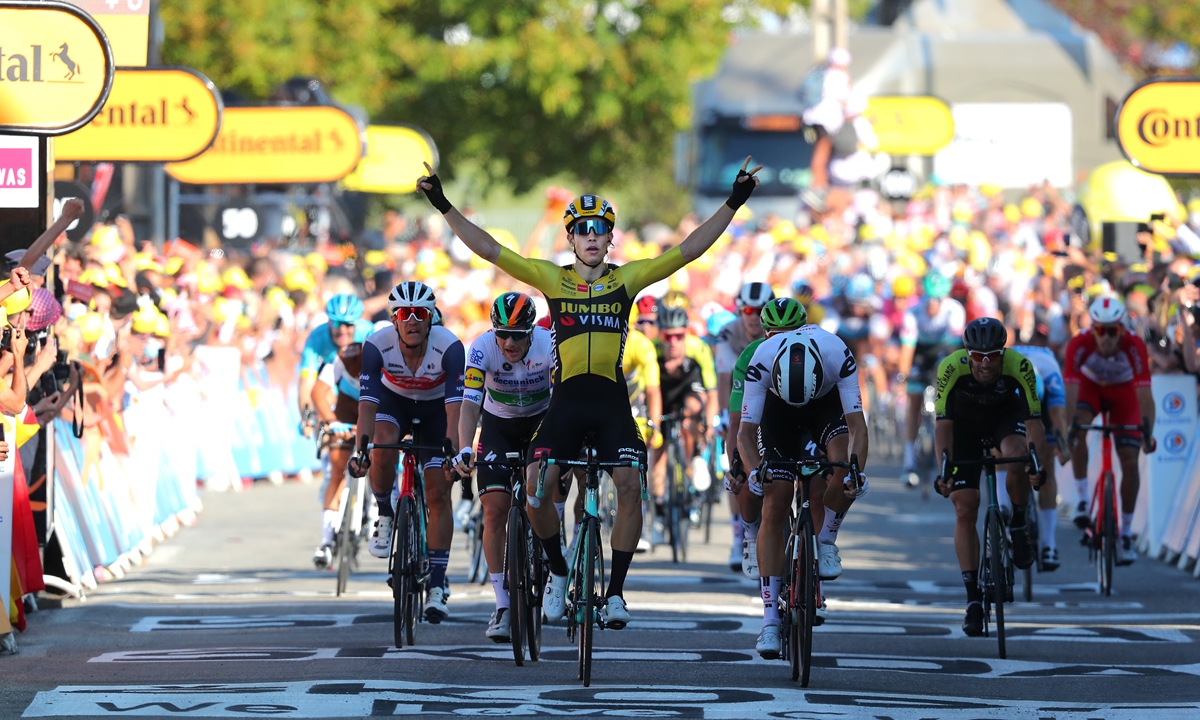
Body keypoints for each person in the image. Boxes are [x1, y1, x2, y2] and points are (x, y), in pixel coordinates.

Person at [417, 157, 760, 629]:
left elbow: (688, 250)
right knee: (535, 490)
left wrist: (733, 203)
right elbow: (490, 249)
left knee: (630, 487)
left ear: (610, 237)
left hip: (611, 399)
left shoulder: (627, 279)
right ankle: (558, 570)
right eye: (583, 229)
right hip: (567, 400)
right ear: (571, 237)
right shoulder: (553, 279)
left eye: (600, 229)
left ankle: (615, 592)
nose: (592, 236)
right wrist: (443, 205)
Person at [737, 322, 868, 658]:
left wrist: (855, 472)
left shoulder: (837, 353)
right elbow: (745, 434)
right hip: (777, 414)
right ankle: (769, 619)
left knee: (843, 468)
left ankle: (826, 541)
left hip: (824, 407)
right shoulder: (762, 359)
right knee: (776, 499)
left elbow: (857, 428)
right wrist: (754, 472)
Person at [349, 281, 466, 624]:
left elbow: (455, 411)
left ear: (431, 319)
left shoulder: (450, 347)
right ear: (394, 319)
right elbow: (367, 406)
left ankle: (438, 584)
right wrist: (361, 450)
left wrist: (452, 451)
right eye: (404, 314)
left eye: (419, 314)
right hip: (394, 402)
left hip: (436, 410)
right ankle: (385, 513)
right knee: (382, 445)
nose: (412, 320)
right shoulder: (376, 345)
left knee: (438, 493)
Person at [933, 318, 1046, 637]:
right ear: (967, 354)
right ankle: (973, 599)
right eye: (978, 356)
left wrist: (1037, 465)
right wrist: (944, 470)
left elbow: (1034, 423)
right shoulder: (950, 367)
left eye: (993, 356)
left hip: (1004, 422)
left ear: (1002, 353)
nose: (985, 363)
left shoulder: (1019, 365)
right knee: (964, 506)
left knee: (1018, 455)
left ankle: (1019, 522)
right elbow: (943, 427)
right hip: (964, 429)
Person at [451, 292, 552, 643]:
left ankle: (551, 554)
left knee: (541, 490)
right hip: (498, 426)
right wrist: (466, 447)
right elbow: (469, 404)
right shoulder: (481, 348)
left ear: (531, 331)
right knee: (494, 511)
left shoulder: (549, 344)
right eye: (502, 334)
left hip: (541, 423)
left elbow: (564, 398)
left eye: (517, 335)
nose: (509, 343)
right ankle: (502, 605)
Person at [1063, 296, 1156, 565]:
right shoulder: (1079, 343)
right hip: (1089, 388)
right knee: (1078, 429)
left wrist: (1147, 433)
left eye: (1112, 331)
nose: (1105, 337)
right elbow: (1070, 393)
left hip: (1123, 394)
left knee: (1130, 460)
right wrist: (1069, 429)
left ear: (1122, 329)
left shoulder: (1134, 345)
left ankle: (1125, 533)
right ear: (1092, 329)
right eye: (1100, 330)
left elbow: (1145, 397)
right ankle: (1082, 499)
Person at [726, 297, 808, 579]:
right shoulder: (750, 356)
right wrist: (736, 466)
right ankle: (750, 535)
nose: (782, 342)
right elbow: (737, 422)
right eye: (775, 335)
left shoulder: (818, 351)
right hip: (764, 420)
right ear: (764, 334)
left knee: (823, 477)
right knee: (748, 474)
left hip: (805, 420)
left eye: (790, 334)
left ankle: (817, 552)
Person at [716, 281, 774, 570]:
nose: (753, 316)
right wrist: (725, 417)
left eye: (759, 310)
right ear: (739, 311)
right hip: (739, 398)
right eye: (748, 311)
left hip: (772, 401)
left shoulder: (779, 330)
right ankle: (740, 537)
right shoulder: (728, 333)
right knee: (736, 467)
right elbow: (724, 378)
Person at [647, 306, 717, 546]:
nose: (673, 342)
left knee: (694, 408)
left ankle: (695, 456)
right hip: (662, 395)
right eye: (667, 336)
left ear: (686, 333)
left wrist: (708, 424)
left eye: (679, 335)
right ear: (660, 335)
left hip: (689, 390)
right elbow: (646, 390)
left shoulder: (699, 348)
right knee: (658, 454)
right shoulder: (652, 350)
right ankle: (658, 515)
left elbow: (712, 392)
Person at [898, 273, 965, 480]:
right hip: (920, 352)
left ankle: (950, 454)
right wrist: (903, 377)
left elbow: (954, 350)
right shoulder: (913, 312)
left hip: (944, 350)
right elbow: (907, 351)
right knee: (913, 400)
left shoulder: (955, 310)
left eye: (937, 300)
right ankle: (909, 461)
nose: (932, 304)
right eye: (928, 299)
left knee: (949, 386)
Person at [1013, 331, 1070, 571]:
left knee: (1047, 466)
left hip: (1043, 398)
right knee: (1002, 450)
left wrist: (1063, 445)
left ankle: (1049, 543)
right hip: (1011, 400)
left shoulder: (1051, 375)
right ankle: (1005, 511)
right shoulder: (1005, 374)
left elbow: (1058, 417)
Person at [310, 341, 364, 569]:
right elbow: (317, 391)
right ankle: (326, 542)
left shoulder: (395, 356)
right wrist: (332, 422)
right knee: (336, 469)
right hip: (347, 410)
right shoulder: (346, 355)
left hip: (377, 408)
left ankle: (378, 513)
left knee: (383, 460)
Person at [298, 295, 375, 421]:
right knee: (323, 405)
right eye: (336, 323)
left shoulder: (369, 332)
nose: (342, 330)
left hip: (358, 382)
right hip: (331, 380)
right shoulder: (315, 340)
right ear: (328, 321)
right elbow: (307, 384)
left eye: (348, 324)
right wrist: (306, 418)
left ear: (357, 322)